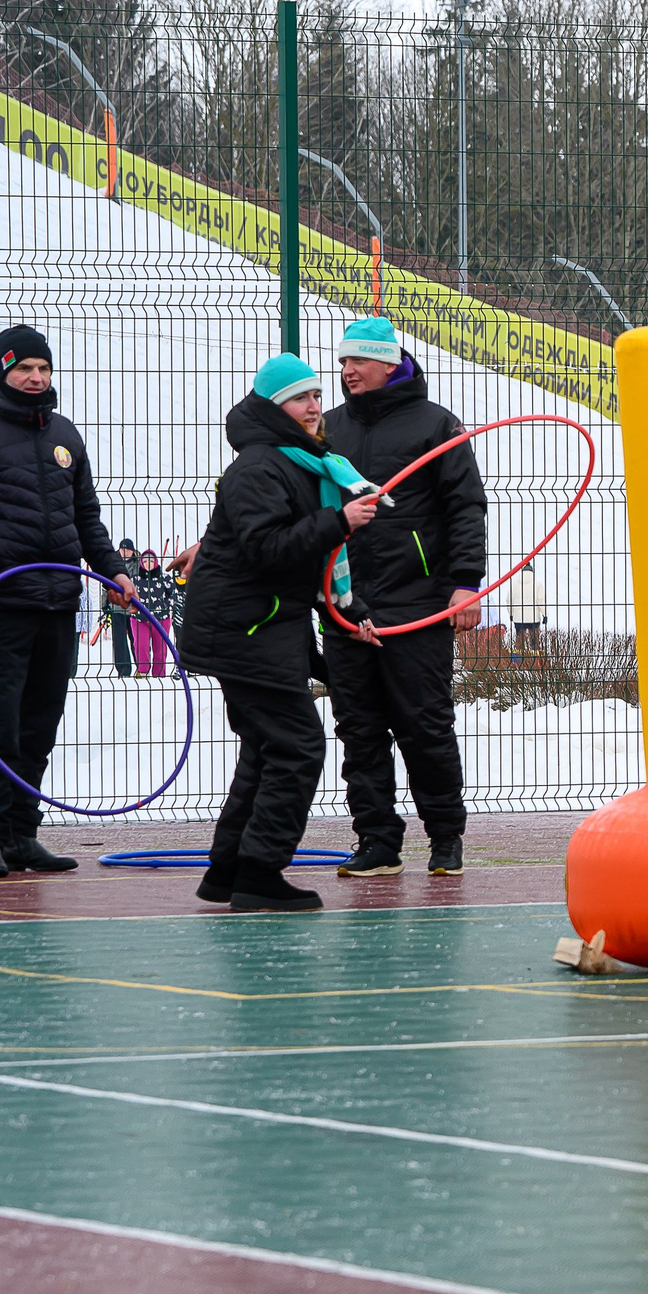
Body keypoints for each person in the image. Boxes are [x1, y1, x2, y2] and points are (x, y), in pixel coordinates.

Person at [178, 356, 384, 911]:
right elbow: (270, 550)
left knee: (267, 750)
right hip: (244, 628)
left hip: (261, 625)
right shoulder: (260, 466)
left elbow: (310, 566)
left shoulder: (303, 464)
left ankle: (229, 871)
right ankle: (261, 871)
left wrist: (351, 610)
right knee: (296, 747)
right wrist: (340, 521)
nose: (314, 407)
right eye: (300, 399)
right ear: (274, 407)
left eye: (317, 396)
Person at [0, 324, 132, 878]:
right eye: (24, 369)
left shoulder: (64, 434)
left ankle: (21, 834)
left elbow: (86, 517)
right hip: (4, 603)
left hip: (59, 600)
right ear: (4, 371)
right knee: (2, 719)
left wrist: (114, 573)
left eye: (43, 369)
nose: (36, 378)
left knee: (41, 721)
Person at [322, 318, 485, 879]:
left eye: (357, 363)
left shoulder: (435, 424)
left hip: (417, 603)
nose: (347, 372)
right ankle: (376, 840)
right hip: (345, 606)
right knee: (358, 729)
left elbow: (466, 508)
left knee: (425, 724)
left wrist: (465, 585)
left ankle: (445, 838)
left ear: (388, 364)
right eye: (342, 363)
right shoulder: (327, 429)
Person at [130, 549, 177, 676]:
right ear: (141, 562)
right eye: (145, 561)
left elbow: (174, 594)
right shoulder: (134, 579)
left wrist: (167, 604)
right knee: (141, 646)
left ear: (155, 562)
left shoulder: (164, 578)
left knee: (160, 649)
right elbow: (127, 595)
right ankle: (143, 672)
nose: (148, 563)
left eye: (151, 560)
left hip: (161, 619)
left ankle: (159, 676)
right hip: (140, 619)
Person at [106, 537, 137, 675]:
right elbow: (105, 586)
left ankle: (141, 667)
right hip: (117, 608)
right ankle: (123, 670)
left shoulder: (138, 564)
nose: (125, 552)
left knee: (136, 639)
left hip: (134, 609)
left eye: (128, 550)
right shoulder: (112, 563)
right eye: (123, 549)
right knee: (119, 641)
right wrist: (105, 605)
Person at [507, 558, 547, 654]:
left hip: (518, 618)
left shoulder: (515, 584)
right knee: (534, 641)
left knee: (520, 641)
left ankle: (520, 662)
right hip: (533, 618)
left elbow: (509, 600)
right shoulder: (537, 584)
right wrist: (545, 614)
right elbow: (541, 600)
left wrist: (511, 613)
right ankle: (535, 659)